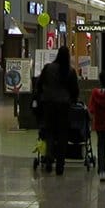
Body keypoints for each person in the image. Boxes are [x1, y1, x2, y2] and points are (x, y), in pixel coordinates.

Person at [35, 45, 78, 174]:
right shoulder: (70, 71)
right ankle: (60, 164)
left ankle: (49, 158)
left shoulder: (48, 68)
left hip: (48, 105)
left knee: (49, 132)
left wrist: (42, 97)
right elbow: (74, 90)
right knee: (63, 135)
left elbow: (39, 84)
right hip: (64, 106)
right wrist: (73, 101)